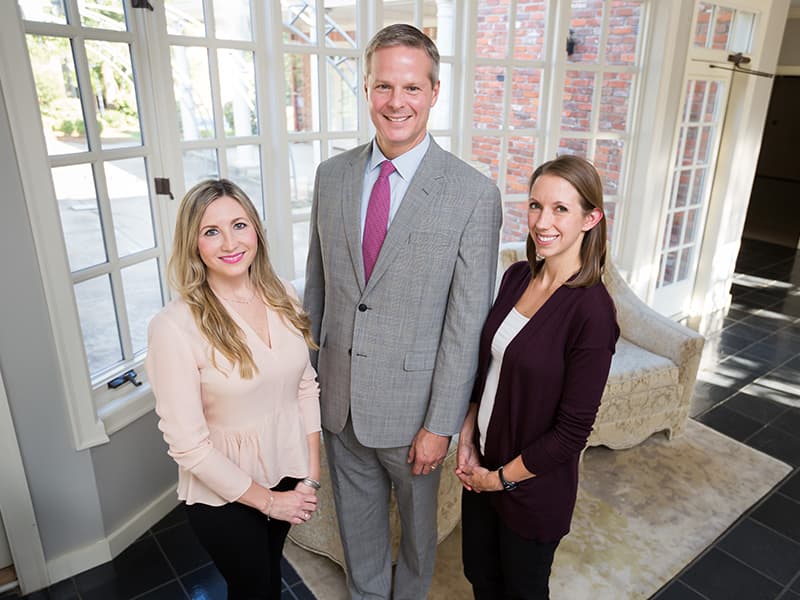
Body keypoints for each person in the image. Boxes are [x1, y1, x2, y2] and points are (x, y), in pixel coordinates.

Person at [304, 23, 502, 600]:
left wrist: (441, 424)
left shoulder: (472, 194)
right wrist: (312, 383)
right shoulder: (331, 176)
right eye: (384, 86)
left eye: (412, 88)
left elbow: (467, 325)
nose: (397, 102)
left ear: (434, 92)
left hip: (416, 416)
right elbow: (318, 290)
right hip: (339, 402)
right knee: (358, 531)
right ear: (366, 89)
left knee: (419, 539)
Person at [145, 179, 321, 599]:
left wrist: (310, 475)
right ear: (194, 245)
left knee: (267, 580)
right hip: (224, 494)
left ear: (256, 229)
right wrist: (270, 502)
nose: (229, 243)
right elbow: (188, 446)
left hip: (288, 470)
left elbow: (305, 386)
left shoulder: (284, 295)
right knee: (254, 590)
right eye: (211, 231)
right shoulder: (174, 328)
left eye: (239, 225)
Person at [455, 155, 620, 599]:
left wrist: (501, 479)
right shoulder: (515, 277)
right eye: (534, 205)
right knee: (481, 577)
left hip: (531, 488)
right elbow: (487, 367)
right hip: (483, 467)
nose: (542, 221)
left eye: (560, 209)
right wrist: (468, 438)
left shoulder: (592, 312)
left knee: (522, 591)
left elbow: (571, 433)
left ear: (591, 218)